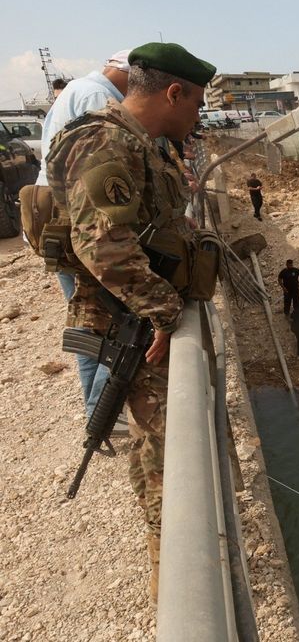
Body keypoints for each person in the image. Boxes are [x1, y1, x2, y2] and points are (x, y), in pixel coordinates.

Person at [45, 41, 216, 604]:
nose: (198, 116)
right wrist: (164, 310)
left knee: (161, 446)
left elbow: (153, 224)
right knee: (164, 455)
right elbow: (104, 246)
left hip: (139, 319)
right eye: (195, 103)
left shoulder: (145, 144)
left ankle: (173, 567)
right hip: (131, 326)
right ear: (173, 92)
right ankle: (177, 584)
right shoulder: (105, 141)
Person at [35, 48, 132, 419]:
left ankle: (97, 411)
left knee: (88, 323)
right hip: (77, 222)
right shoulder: (99, 98)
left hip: (59, 221)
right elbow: (101, 178)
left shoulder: (77, 90)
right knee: (114, 319)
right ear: (122, 73)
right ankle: (103, 412)